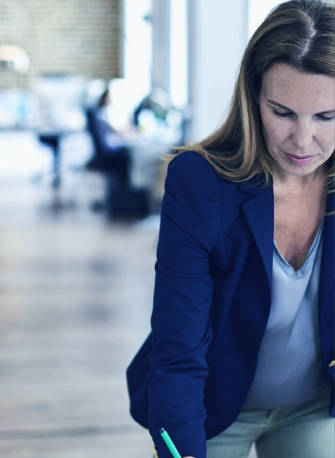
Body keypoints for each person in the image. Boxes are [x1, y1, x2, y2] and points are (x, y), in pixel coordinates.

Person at [126, 1, 335, 457]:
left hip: (316, 406)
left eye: (327, 117)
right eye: (283, 112)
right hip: (214, 407)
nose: (303, 141)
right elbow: (177, 347)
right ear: (253, 97)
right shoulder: (199, 183)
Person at [85, 89, 132, 188]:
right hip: (107, 153)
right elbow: (115, 130)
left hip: (106, 149)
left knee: (125, 152)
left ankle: (122, 190)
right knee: (126, 156)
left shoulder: (101, 113)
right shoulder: (100, 115)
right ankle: (122, 189)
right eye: (109, 98)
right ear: (104, 98)